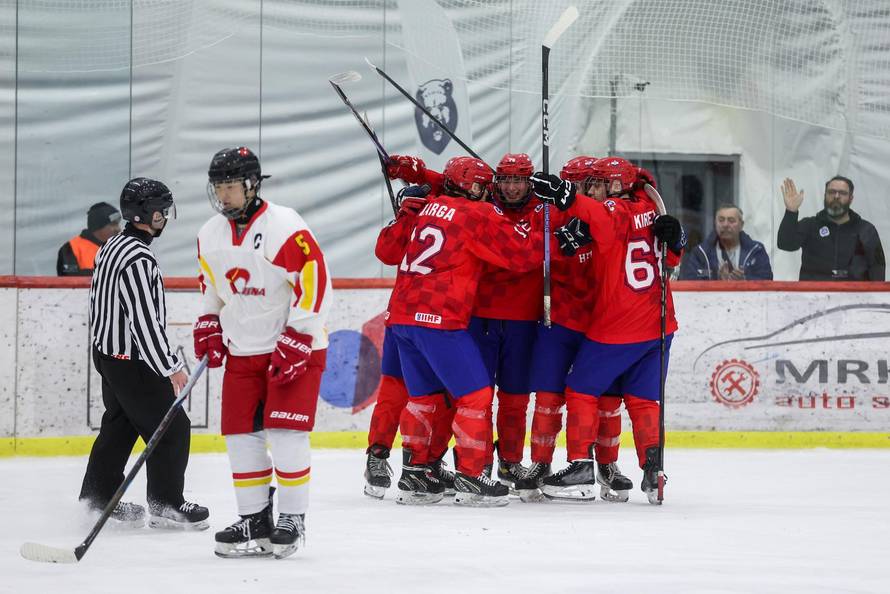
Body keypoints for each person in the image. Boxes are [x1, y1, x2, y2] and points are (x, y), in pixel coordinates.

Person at [196, 147, 331, 559]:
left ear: (252, 185)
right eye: (218, 187)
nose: (224, 196)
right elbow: (211, 285)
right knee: (241, 438)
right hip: (243, 351)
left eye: (231, 187)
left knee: (287, 434)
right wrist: (208, 321)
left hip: (294, 348)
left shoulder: (284, 225)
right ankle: (254, 517)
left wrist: (299, 333)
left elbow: (316, 280)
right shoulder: (209, 233)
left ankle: (292, 516)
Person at [384, 156, 542, 507]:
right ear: (472, 187)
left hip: (402, 317)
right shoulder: (477, 214)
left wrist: (405, 208)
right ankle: (471, 475)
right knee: (476, 397)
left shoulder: (428, 206)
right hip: (439, 319)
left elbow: (385, 250)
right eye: (484, 186)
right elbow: (520, 257)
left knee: (423, 399)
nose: (489, 192)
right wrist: (545, 231)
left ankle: (415, 474)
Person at [530, 156, 686, 504]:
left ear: (614, 185)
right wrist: (679, 239)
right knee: (644, 400)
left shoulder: (615, 209)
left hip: (619, 325)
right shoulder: (649, 204)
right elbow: (671, 257)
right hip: (660, 325)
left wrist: (566, 195)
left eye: (598, 183)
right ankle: (653, 470)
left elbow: (602, 217)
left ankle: (582, 467)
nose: (593, 189)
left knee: (580, 389)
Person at [79, 177, 209, 530]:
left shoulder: (110, 246)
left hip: (108, 356)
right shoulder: (139, 258)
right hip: (132, 361)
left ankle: (97, 498)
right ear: (147, 214)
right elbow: (144, 322)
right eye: (161, 211)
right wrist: (171, 366)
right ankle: (166, 503)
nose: (165, 216)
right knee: (173, 427)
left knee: (120, 425)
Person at [517, 156, 635, 503]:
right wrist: (554, 241)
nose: (586, 189)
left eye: (590, 183)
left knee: (608, 400)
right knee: (549, 398)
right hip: (559, 319)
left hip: (604, 323)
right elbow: (527, 250)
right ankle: (540, 463)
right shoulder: (547, 212)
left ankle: (608, 464)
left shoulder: (613, 215)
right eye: (577, 183)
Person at [364, 183, 457, 503]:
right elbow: (386, 252)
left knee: (444, 395)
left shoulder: (466, 215)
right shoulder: (422, 213)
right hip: (405, 315)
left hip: (442, 320)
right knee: (394, 390)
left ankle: (429, 461)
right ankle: (377, 456)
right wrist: (405, 216)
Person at [778, 176, 885, 281]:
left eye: (842, 193)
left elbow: (878, 267)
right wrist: (791, 212)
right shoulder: (810, 225)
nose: (836, 196)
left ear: (851, 198)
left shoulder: (866, 230)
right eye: (831, 192)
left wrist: (874, 296)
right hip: (813, 295)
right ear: (825, 196)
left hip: (853, 296)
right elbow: (785, 244)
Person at [679, 203, 773, 280]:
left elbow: (767, 280)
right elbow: (690, 281)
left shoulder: (756, 251)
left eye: (731, 221)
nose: (725, 224)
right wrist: (717, 279)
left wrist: (744, 280)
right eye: (721, 220)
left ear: (741, 225)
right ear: (715, 223)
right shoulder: (700, 253)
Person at [57, 202, 122, 276]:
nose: (118, 229)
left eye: (118, 224)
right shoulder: (71, 248)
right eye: (113, 224)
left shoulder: (121, 248)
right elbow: (69, 278)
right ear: (98, 226)